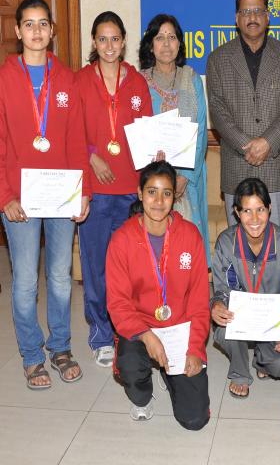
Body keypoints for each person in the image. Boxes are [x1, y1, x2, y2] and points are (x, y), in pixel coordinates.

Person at [0, 0, 90, 390]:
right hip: (20, 200)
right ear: (17, 31)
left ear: (52, 30)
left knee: (60, 278)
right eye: (29, 24)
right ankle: (31, 355)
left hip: (61, 196)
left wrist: (83, 192)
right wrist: (4, 198)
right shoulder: (2, 81)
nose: (36, 31)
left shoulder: (67, 79)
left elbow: (77, 142)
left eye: (43, 23)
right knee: (26, 281)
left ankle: (60, 347)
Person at [106, 160, 210, 430]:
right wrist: (146, 335)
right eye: (152, 192)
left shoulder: (190, 236)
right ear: (140, 194)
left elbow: (200, 301)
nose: (159, 201)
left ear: (174, 197)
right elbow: (118, 303)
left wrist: (195, 348)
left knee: (195, 420)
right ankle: (141, 396)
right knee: (130, 364)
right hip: (141, 327)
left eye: (166, 193)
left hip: (180, 328)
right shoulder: (121, 240)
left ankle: (171, 375)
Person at [76, 11, 153, 368]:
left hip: (129, 189)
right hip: (94, 188)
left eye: (115, 39)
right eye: (102, 39)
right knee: (95, 266)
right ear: (94, 42)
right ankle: (101, 335)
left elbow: (147, 132)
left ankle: (128, 331)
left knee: (129, 268)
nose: (109, 45)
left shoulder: (137, 83)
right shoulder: (79, 81)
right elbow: (69, 132)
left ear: (124, 42)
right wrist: (93, 157)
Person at [207, 0, 280, 238]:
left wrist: (268, 142)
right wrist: (247, 145)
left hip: (276, 166)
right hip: (237, 167)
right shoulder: (218, 59)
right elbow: (217, 109)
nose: (252, 17)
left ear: (267, 16)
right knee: (239, 247)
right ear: (236, 18)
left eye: (258, 11)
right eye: (246, 12)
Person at [211, 177, 280, 398]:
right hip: (239, 319)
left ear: (269, 208)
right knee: (222, 330)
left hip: (273, 321)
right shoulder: (226, 242)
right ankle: (240, 373)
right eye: (247, 211)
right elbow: (222, 288)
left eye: (260, 210)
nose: (254, 219)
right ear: (236, 212)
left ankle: (262, 359)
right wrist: (217, 305)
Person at [139, 13, 210, 259]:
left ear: (180, 43)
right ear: (151, 45)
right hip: (153, 177)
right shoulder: (139, 82)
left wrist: (184, 177)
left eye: (172, 37)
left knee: (187, 246)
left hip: (187, 179)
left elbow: (201, 130)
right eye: (160, 38)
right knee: (154, 246)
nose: (166, 44)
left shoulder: (191, 79)